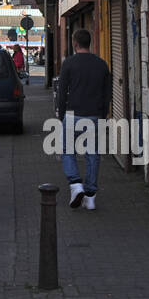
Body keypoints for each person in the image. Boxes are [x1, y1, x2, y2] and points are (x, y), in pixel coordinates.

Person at [55, 28, 112, 211]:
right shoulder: (102, 64)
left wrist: (61, 114)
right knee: (93, 154)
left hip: (72, 115)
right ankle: (90, 196)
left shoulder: (69, 64)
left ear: (75, 43)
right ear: (90, 43)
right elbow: (107, 94)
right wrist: (102, 115)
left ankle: (76, 184)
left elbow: (62, 92)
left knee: (67, 150)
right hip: (94, 115)